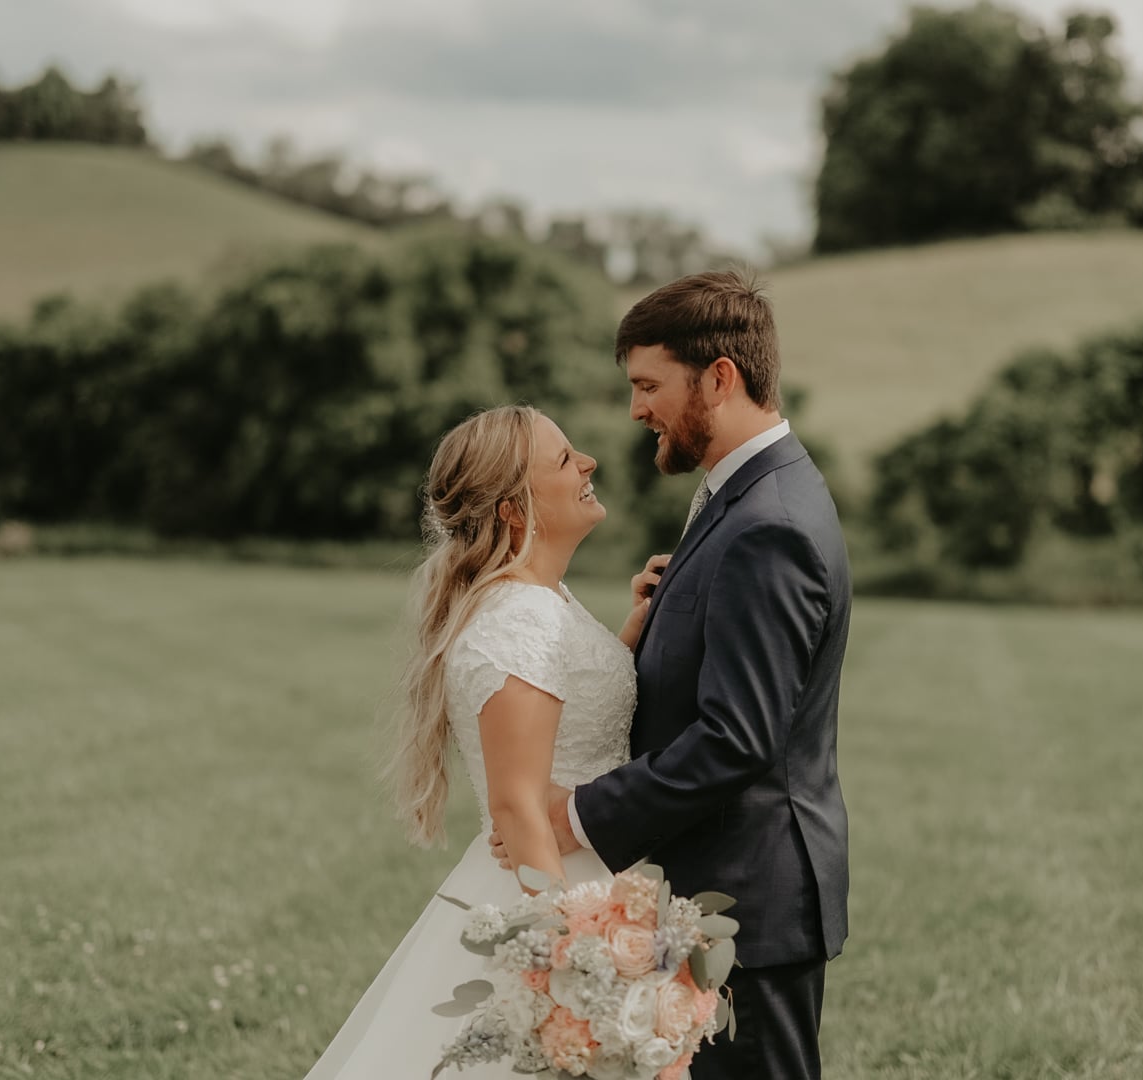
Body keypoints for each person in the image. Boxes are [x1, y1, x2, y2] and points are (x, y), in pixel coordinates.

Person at [494, 270, 851, 1079]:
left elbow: (738, 739)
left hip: (747, 906)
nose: (636, 409)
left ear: (718, 377)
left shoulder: (770, 524)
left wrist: (575, 813)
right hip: (710, 893)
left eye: (649, 385)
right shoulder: (743, 496)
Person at [302, 404, 658, 1078]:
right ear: (515, 512)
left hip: (595, 874)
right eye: (564, 459)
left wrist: (631, 635)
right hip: (551, 893)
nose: (588, 463)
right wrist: (573, 970)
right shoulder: (519, 616)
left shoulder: (540, 601)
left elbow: (567, 714)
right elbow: (518, 808)